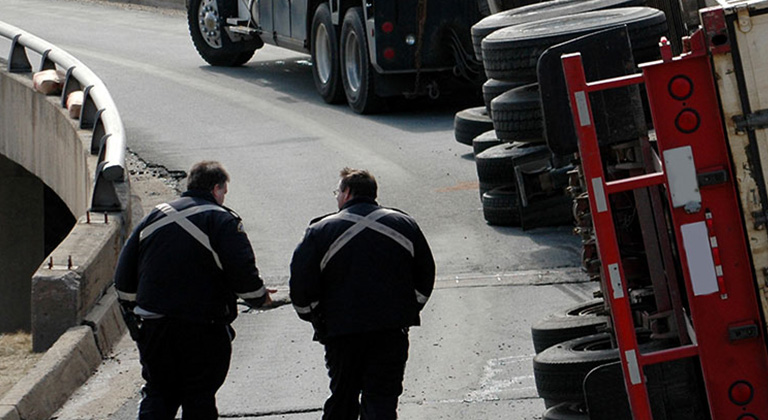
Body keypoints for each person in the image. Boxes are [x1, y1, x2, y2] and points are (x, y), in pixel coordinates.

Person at [114, 160, 272, 420]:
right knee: (199, 396)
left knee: (158, 393)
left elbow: (123, 276)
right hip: (203, 328)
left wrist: (136, 312)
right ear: (216, 189)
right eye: (224, 192)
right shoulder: (222, 220)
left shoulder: (154, 217)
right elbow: (242, 271)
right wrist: (258, 297)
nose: (223, 198)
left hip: (156, 327)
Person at [289, 167, 435, 420]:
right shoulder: (404, 225)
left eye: (338, 191)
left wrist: (315, 317)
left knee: (343, 397)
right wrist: (408, 309)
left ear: (346, 193)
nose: (336, 197)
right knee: (382, 399)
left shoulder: (319, 231)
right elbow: (425, 275)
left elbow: (301, 285)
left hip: (341, 333)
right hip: (391, 330)